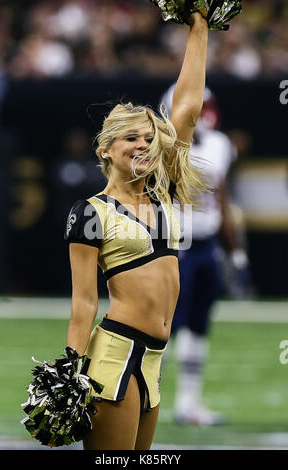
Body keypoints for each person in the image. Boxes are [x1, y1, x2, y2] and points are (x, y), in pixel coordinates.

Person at [64, 11, 209, 450]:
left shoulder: (162, 191)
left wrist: (199, 26)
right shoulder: (89, 212)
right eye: (131, 138)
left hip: (152, 358)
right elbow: (84, 302)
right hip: (115, 353)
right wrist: (69, 369)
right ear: (106, 149)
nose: (144, 144)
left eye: (149, 138)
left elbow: (188, 109)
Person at [160, 84, 250, 425]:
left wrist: (236, 255)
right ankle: (141, 400)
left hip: (207, 246)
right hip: (173, 247)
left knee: (199, 326)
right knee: (162, 330)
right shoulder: (161, 147)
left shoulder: (219, 145)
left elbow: (223, 201)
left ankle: (188, 405)